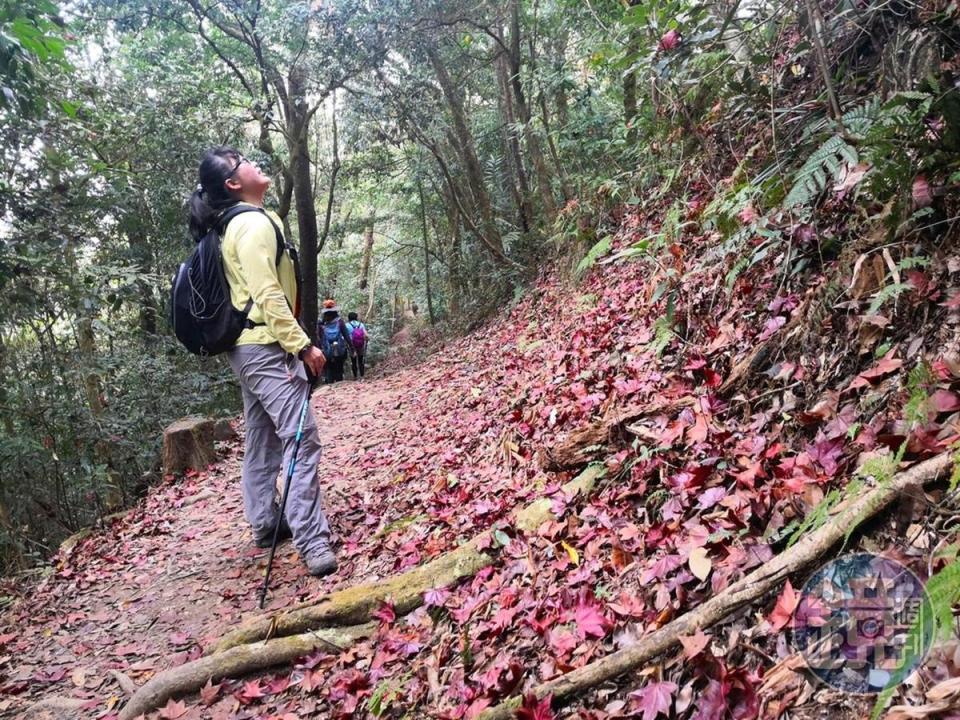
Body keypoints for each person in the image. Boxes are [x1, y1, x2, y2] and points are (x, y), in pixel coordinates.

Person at [188, 147, 338, 577]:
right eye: (241, 162)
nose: (252, 163)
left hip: (247, 347)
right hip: (265, 347)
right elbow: (268, 292)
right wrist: (303, 345)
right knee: (301, 438)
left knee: (263, 436)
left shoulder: (236, 224)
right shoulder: (251, 224)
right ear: (234, 184)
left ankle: (266, 521)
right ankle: (312, 540)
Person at [316, 299, 354, 384]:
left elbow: (319, 338)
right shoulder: (339, 321)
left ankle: (329, 386)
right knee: (339, 370)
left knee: (329, 370)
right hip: (340, 350)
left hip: (326, 351)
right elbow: (346, 336)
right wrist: (352, 348)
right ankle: (339, 388)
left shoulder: (321, 324)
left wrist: (319, 349)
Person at [345, 312, 368, 380]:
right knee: (360, 360)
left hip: (352, 345)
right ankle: (362, 376)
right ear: (356, 317)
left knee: (353, 361)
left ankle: (355, 377)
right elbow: (366, 335)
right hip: (360, 344)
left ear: (349, 318)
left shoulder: (347, 325)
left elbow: (345, 336)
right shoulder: (361, 324)